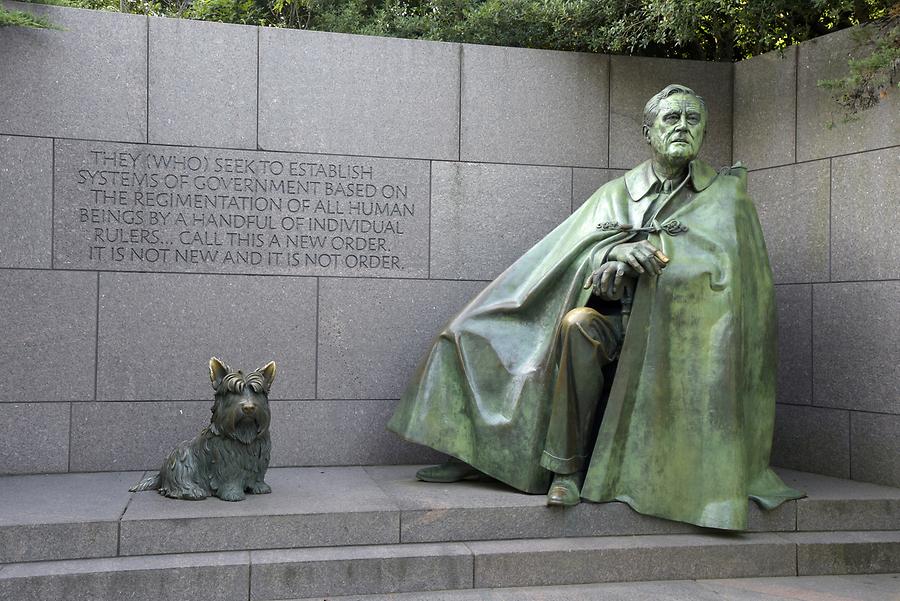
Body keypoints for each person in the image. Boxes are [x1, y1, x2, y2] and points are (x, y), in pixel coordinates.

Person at [388, 84, 803, 530]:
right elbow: (568, 257)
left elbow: (741, 290)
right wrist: (608, 258)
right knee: (543, 327)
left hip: (684, 339)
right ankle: (547, 465)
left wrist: (666, 267)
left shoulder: (728, 199)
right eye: (671, 119)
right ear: (648, 131)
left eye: (692, 119)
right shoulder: (615, 194)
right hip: (615, 326)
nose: (682, 127)